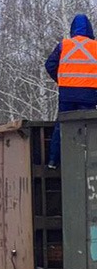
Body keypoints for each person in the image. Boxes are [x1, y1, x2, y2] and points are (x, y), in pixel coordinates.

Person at [44, 13, 97, 167]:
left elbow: (50, 65)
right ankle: (89, 160)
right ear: (89, 29)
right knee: (89, 127)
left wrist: (61, 80)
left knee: (62, 125)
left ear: (73, 28)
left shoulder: (64, 45)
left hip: (67, 93)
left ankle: (54, 160)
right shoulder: (95, 47)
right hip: (89, 94)